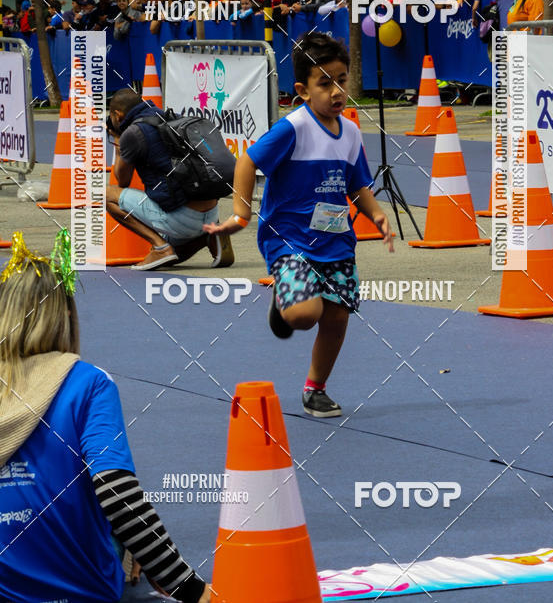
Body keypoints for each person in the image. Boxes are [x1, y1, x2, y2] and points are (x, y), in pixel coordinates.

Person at [0, 229, 211, 603]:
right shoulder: (88, 383)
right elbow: (116, 491)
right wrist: (187, 586)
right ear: (64, 313)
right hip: (79, 590)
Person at [203, 32, 393, 418]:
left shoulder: (352, 132)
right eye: (326, 83)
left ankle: (315, 389)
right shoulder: (294, 127)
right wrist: (241, 214)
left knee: (337, 317)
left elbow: (358, 183)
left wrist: (375, 213)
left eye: (342, 80)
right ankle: (286, 300)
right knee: (305, 316)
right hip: (289, 241)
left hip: (337, 241)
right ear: (303, 91)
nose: (337, 91)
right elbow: (246, 162)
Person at [105, 88, 234, 271]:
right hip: (211, 212)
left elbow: (122, 181)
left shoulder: (132, 133)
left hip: (183, 218)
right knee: (175, 256)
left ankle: (160, 247)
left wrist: (117, 141)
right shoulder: (171, 117)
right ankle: (210, 235)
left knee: (106, 194)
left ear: (118, 116)